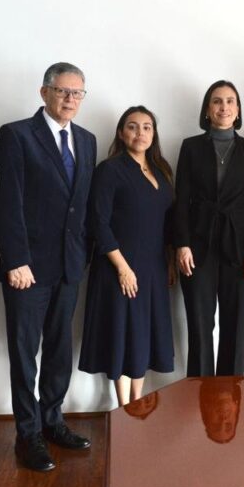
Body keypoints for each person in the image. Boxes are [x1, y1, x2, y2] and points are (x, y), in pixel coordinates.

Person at [0, 62, 96, 472]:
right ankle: (27, 432)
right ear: (44, 92)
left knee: (58, 349)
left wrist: (83, 254)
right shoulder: (16, 135)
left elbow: (81, 206)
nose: (70, 99)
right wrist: (16, 259)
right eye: (62, 91)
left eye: (77, 93)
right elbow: (6, 203)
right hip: (27, 269)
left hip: (69, 266)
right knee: (24, 352)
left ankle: (52, 420)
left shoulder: (86, 140)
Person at [79, 106, 176, 406]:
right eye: (133, 127)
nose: (140, 133)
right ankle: (123, 406)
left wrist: (170, 263)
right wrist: (122, 268)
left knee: (143, 334)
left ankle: (138, 397)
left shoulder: (161, 170)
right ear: (122, 133)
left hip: (154, 269)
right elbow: (99, 222)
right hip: (119, 267)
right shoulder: (110, 170)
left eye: (147, 127)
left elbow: (169, 223)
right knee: (122, 333)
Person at [173, 80, 244, 377]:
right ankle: (199, 392)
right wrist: (182, 243)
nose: (223, 107)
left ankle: (230, 395)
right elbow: (181, 199)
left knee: (234, 325)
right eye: (217, 101)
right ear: (207, 109)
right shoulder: (190, 147)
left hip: (239, 248)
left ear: (238, 110)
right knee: (200, 325)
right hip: (198, 246)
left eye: (230, 101)